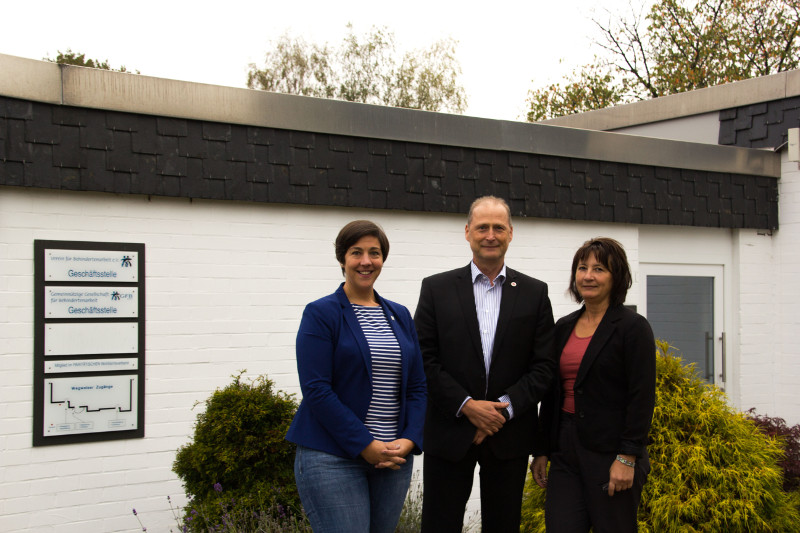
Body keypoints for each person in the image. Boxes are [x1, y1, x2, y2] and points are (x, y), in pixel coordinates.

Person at [414, 196, 556, 532]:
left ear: (510, 233)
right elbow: (424, 359)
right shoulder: (436, 289)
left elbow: (544, 366)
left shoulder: (535, 293)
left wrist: (501, 410)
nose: (489, 235)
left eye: (498, 227)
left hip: (509, 437)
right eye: (482, 227)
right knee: (439, 525)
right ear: (467, 232)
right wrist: (467, 406)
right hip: (449, 432)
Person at [286, 220, 427, 533]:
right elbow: (316, 390)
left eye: (374, 253)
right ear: (342, 259)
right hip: (332, 456)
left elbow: (417, 387)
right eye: (356, 252)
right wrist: (365, 443)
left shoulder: (400, 314)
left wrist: (409, 439)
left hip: (392, 459)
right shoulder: (321, 313)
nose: (366, 261)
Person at [531, 237, 656, 533]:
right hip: (565, 450)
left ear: (617, 277)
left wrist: (627, 457)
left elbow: (642, 397)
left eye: (599, 269)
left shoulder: (632, 328)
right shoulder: (563, 327)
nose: (588, 275)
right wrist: (542, 449)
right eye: (582, 267)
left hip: (611, 451)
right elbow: (551, 393)